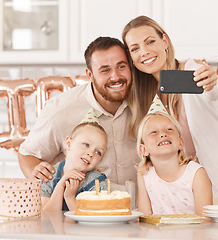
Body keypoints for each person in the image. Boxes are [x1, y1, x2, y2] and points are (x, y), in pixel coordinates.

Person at [122, 15, 218, 217]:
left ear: (164, 41)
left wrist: (211, 82)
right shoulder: (145, 96)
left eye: (150, 41)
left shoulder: (192, 72)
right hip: (189, 195)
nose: (145, 51)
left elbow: (212, 91)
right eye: (135, 48)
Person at [18, 36, 138, 187]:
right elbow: (28, 155)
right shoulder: (60, 111)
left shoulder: (145, 101)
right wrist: (47, 187)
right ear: (90, 75)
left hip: (142, 208)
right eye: (105, 70)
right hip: (80, 208)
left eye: (121, 66)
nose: (115, 77)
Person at [136, 95, 212, 216]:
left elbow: (205, 221)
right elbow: (144, 218)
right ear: (143, 149)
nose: (163, 134)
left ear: (181, 143)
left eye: (169, 129)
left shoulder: (196, 173)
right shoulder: (144, 175)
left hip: (192, 233)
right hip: (157, 234)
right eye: (153, 132)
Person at [41, 109, 108, 211]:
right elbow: (47, 216)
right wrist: (60, 185)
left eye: (98, 152)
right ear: (68, 143)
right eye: (86, 145)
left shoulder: (98, 183)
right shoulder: (49, 175)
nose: (91, 153)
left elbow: (92, 220)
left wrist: (70, 198)